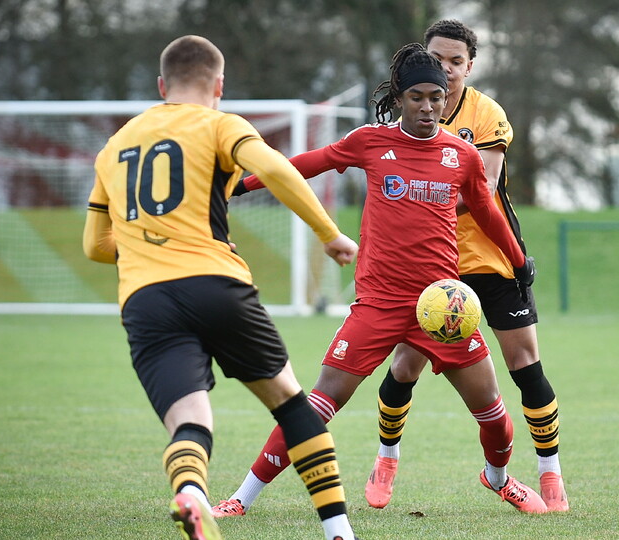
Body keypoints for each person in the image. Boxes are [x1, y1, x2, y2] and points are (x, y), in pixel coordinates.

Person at [210, 42, 546, 517]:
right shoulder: (370, 141)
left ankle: (498, 478)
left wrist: (517, 259)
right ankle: (242, 499)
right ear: (399, 98)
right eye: (417, 97)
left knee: (493, 415)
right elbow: (306, 164)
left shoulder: (462, 155)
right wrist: (240, 187)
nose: (430, 106)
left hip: (443, 308)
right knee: (317, 403)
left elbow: (488, 213)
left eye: (437, 96)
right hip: (380, 302)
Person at [82, 35, 359, 540]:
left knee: (189, 420)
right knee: (291, 404)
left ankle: (191, 492)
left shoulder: (115, 146)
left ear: (162, 85)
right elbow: (273, 167)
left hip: (146, 301)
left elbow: (95, 247)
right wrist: (330, 234)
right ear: (219, 85)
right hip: (215, 282)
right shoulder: (219, 124)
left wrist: (150, 241)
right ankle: (339, 532)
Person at [362, 20, 570, 512]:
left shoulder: (486, 114)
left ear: (470, 66)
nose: (448, 70)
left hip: (491, 259)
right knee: (406, 364)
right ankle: (386, 459)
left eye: (457, 62)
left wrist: (421, 196)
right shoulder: (408, 109)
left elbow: (486, 187)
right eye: (440, 59)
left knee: (526, 365)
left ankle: (550, 474)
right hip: (430, 266)